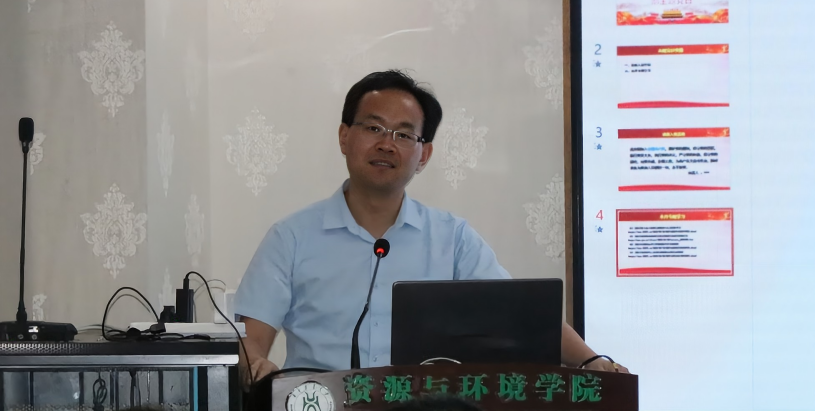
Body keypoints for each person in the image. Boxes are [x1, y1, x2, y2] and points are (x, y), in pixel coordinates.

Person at [235, 70, 629, 385]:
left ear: (423, 155)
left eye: (404, 135)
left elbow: (521, 317)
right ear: (344, 136)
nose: (386, 144)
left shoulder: (451, 239)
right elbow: (251, 342)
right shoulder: (291, 238)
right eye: (373, 128)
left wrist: (589, 360)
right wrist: (252, 364)